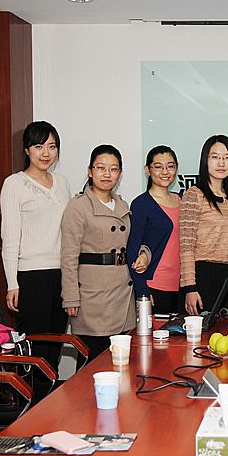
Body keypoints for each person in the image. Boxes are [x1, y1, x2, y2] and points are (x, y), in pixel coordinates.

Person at [60, 145, 148, 361]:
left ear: (120, 173)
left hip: (122, 292)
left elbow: (134, 242)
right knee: (93, 362)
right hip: (93, 296)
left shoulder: (122, 205)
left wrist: (145, 254)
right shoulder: (78, 206)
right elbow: (69, 256)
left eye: (113, 169)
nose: (107, 174)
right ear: (90, 171)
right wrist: (70, 297)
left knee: (122, 361)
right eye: (101, 168)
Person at [0, 121, 70, 377]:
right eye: (39, 146)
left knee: (55, 346)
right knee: (34, 350)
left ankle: (50, 397)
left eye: (52, 146)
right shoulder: (14, 184)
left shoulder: (62, 183)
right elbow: (10, 238)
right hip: (31, 276)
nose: (46, 153)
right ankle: (32, 398)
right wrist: (12, 283)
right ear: (27, 149)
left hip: (61, 275)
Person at [181, 135, 228, 315]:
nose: (221, 163)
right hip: (203, 275)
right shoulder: (194, 195)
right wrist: (190, 288)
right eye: (215, 157)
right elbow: (186, 245)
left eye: (227, 158)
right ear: (205, 160)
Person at [126, 146, 182, 314]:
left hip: (183, 287)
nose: (165, 172)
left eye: (170, 166)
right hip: (155, 286)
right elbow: (132, 248)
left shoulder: (182, 200)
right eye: (158, 166)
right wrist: (142, 289)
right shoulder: (141, 204)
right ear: (147, 170)